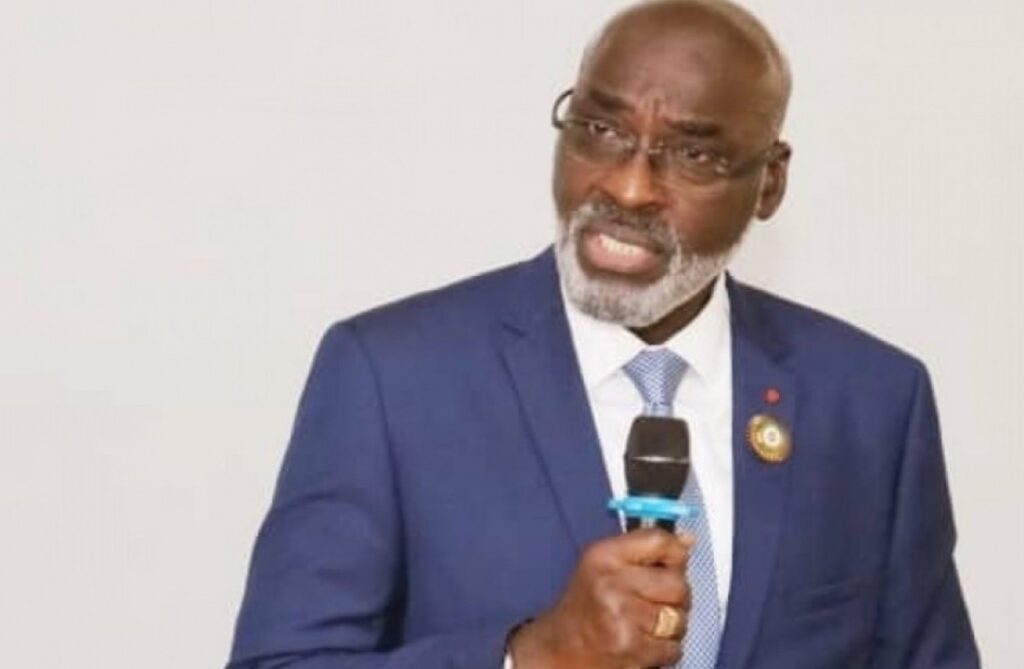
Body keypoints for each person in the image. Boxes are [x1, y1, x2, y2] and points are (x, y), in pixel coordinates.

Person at [227, 1, 980, 667]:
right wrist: (531, 658)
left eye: (694, 154)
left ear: (770, 183)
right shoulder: (391, 379)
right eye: (601, 129)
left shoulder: (872, 403)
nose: (628, 186)